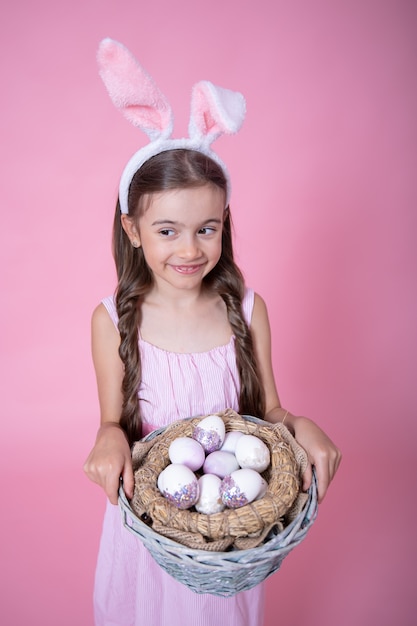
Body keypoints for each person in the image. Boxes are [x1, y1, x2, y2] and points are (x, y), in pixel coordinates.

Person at [84, 38, 341, 626]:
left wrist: (301, 425)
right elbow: (112, 425)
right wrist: (105, 437)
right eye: (168, 230)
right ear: (132, 228)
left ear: (224, 221)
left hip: (226, 541)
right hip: (150, 534)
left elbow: (269, 413)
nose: (190, 249)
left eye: (206, 228)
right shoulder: (112, 320)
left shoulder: (246, 310)